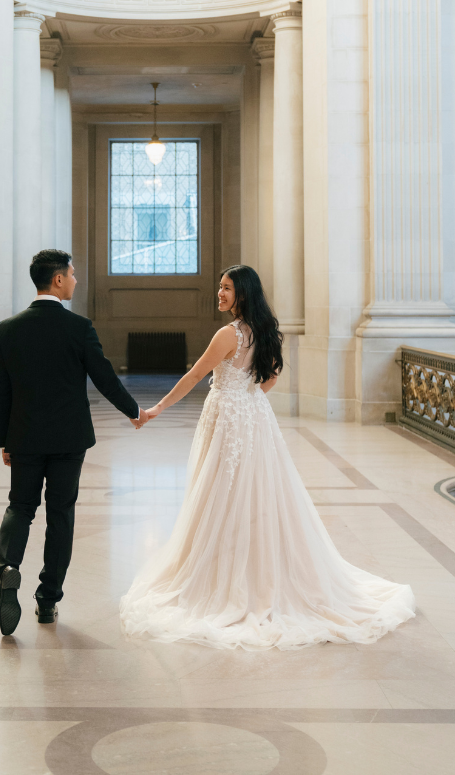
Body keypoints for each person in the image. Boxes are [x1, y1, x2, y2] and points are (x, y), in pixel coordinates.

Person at [119, 265, 416, 649]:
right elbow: (270, 377)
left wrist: (157, 408)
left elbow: (194, 376)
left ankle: (224, 574)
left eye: (226, 288)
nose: (219, 293)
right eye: (219, 286)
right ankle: (257, 567)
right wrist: (247, 396)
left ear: (242, 293)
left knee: (220, 491)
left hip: (227, 417)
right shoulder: (262, 332)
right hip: (253, 416)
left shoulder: (228, 335)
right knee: (255, 492)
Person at [0, 249, 141, 636]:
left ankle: (8, 568)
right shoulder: (79, 328)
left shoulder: (8, 328)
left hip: (23, 436)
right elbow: (104, 376)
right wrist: (134, 411)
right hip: (67, 439)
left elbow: (2, 390)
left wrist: (3, 439)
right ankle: (47, 600)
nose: (75, 280)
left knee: (20, 506)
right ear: (57, 279)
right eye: (72, 275)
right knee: (60, 514)